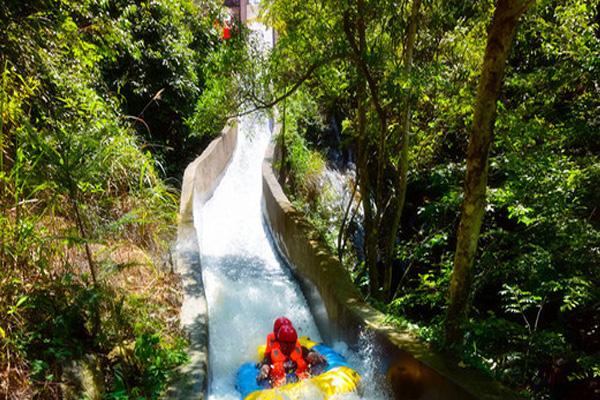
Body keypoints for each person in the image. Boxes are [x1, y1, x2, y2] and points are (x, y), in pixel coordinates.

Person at [257, 320, 326, 386]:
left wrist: (315, 359)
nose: (290, 347)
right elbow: (265, 365)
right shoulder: (271, 355)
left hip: (303, 381)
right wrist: (264, 369)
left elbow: (314, 357)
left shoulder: (301, 349)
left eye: (292, 343)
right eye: (287, 344)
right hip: (281, 386)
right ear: (280, 342)